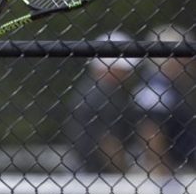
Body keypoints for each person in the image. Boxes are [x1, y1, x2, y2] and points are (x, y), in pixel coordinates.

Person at [65, 31, 137, 173]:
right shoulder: (103, 95)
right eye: (123, 69)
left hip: (86, 169)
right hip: (96, 172)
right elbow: (108, 142)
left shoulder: (90, 88)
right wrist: (125, 175)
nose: (129, 74)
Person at [132, 24, 196, 176]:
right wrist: (161, 168)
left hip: (179, 168)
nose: (191, 61)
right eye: (186, 55)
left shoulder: (173, 87)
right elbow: (150, 130)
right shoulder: (155, 88)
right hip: (166, 175)